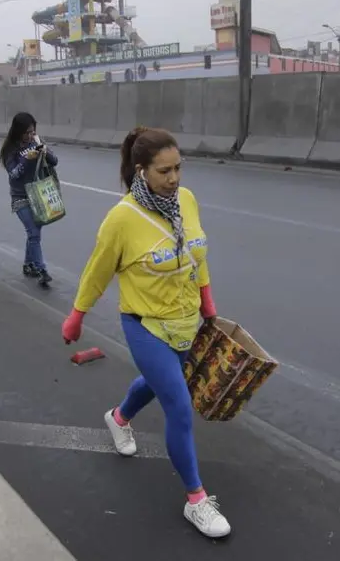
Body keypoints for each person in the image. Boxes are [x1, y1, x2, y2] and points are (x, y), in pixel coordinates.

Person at [61, 127, 230, 538]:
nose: (173, 179)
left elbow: (196, 253)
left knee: (157, 384)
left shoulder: (186, 201)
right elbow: (97, 271)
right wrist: (77, 315)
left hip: (186, 321)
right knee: (178, 403)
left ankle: (119, 417)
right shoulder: (122, 219)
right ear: (142, 171)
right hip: (144, 324)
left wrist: (207, 299)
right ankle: (196, 500)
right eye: (163, 171)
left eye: (178, 169)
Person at [0, 112, 57, 286]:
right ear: (18, 132)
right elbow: (14, 175)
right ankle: (41, 269)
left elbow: (54, 161)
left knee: (35, 233)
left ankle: (28, 264)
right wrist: (25, 159)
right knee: (33, 231)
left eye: (33, 131)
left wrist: (44, 152)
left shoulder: (36, 142)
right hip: (20, 197)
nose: (31, 135)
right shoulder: (11, 150)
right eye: (27, 132)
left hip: (37, 194)